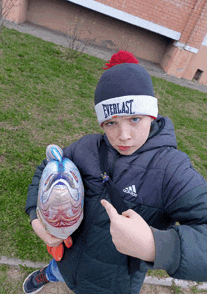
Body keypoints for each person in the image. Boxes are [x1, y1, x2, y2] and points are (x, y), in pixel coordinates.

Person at [23, 50, 207, 294]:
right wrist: (36, 218)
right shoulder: (86, 148)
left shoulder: (171, 170)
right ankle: (48, 274)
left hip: (112, 285)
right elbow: (46, 170)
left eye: (134, 119)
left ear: (151, 114)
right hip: (68, 258)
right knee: (58, 268)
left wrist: (157, 246)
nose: (123, 136)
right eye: (111, 123)